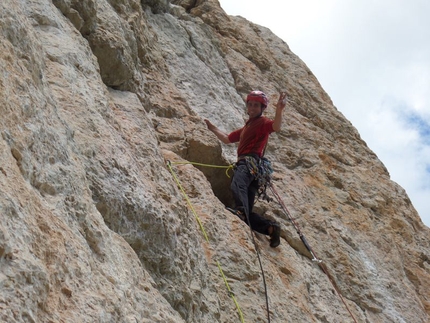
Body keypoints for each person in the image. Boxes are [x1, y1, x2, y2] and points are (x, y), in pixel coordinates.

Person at [204, 90, 287, 248]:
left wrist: (279, 111)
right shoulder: (245, 128)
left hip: (248, 163)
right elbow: (227, 139)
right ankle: (270, 228)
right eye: (250, 104)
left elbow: (276, 126)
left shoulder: (262, 123)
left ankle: (240, 210)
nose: (252, 107)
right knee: (248, 211)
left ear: (262, 108)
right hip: (254, 170)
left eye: (256, 105)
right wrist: (211, 127)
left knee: (237, 184)